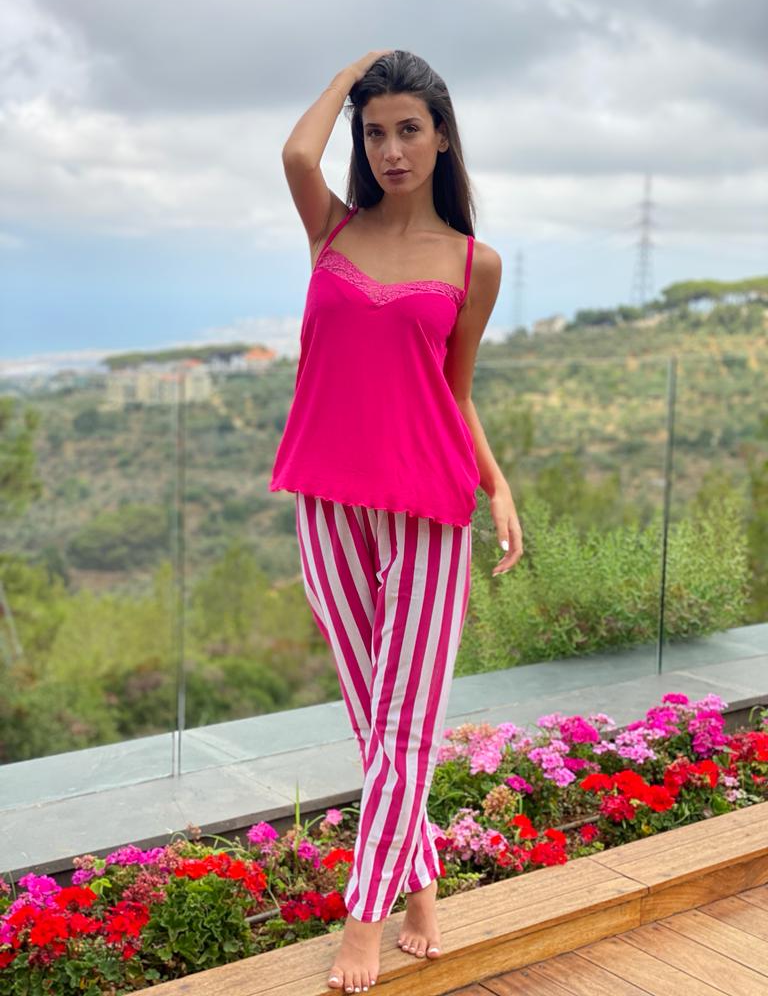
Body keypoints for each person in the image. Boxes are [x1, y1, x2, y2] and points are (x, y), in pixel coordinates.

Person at [269, 49, 524, 993]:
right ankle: (420, 886)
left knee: (409, 722)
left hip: (427, 507)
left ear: (443, 134)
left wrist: (495, 484)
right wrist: (356, 69)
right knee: (375, 715)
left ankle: (363, 923)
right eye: (375, 132)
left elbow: (453, 393)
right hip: (327, 501)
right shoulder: (332, 231)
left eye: (409, 127)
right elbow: (298, 156)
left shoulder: (473, 263)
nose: (391, 149)